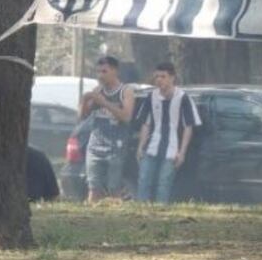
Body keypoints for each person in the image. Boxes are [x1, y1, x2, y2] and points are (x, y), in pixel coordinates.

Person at [136, 62, 202, 203]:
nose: (159, 80)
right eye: (157, 76)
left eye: (163, 76)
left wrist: (182, 152)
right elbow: (146, 123)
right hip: (152, 146)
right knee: (144, 180)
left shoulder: (183, 98)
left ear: (172, 78)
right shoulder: (151, 97)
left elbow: (188, 127)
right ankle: (140, 211)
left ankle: (161, 212)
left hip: (172, 149)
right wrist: (141, 146)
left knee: (164, 183)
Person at [80, 55, 135, 202]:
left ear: (115, 71)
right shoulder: (97, 90)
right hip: (95, 145)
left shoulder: (126, 91)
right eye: (98, 72)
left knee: (113, 187)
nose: (100, 76)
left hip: (116, 146)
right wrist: (85, 101)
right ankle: (90, 217)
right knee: (93, 186)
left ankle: (115, 218)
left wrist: (104, 103)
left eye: (104, 72)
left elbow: (126, 116)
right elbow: (82, 117)